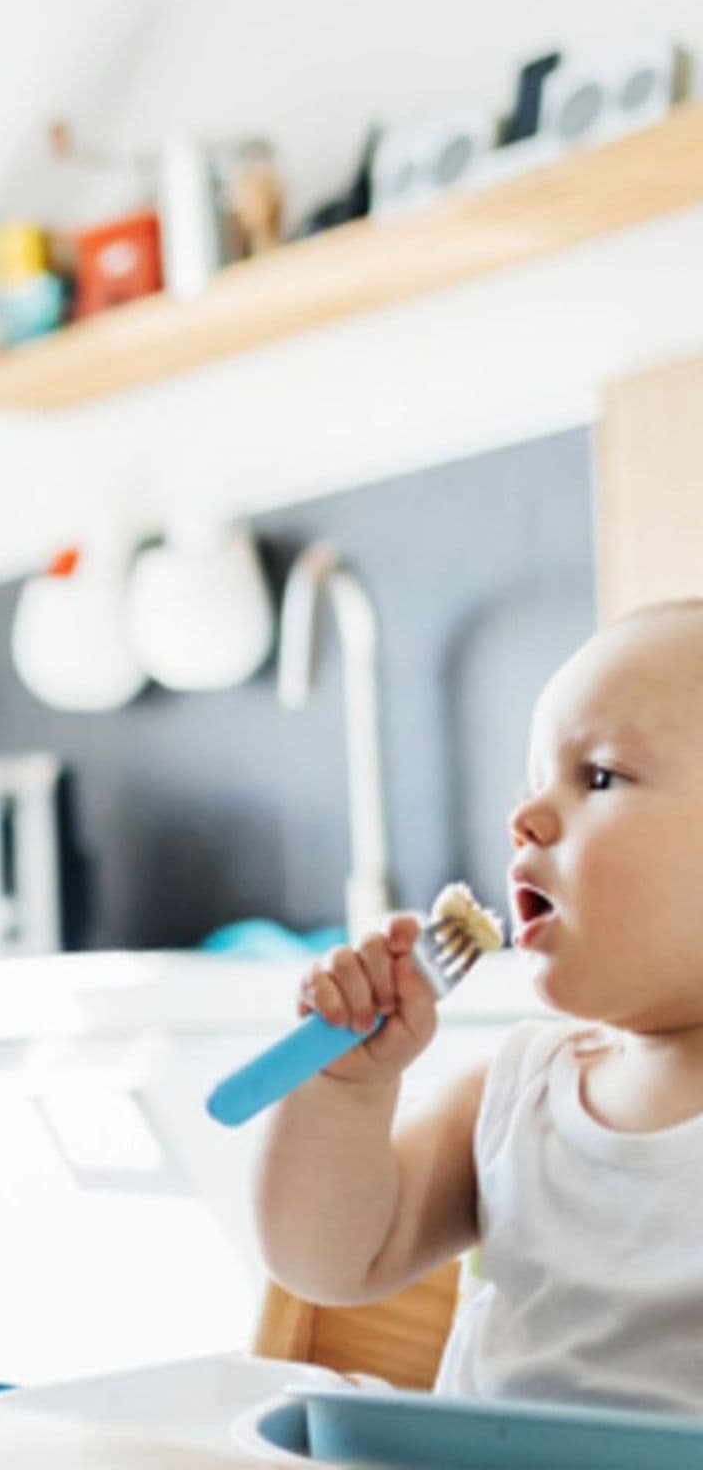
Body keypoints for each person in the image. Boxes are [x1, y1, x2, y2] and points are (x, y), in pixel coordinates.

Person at [253, 599, 703, 1411]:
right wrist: (345, 1090)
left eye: (599, 777)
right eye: (534, 783)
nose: (523, 818)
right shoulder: (516, 1096)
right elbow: (328, 1262)